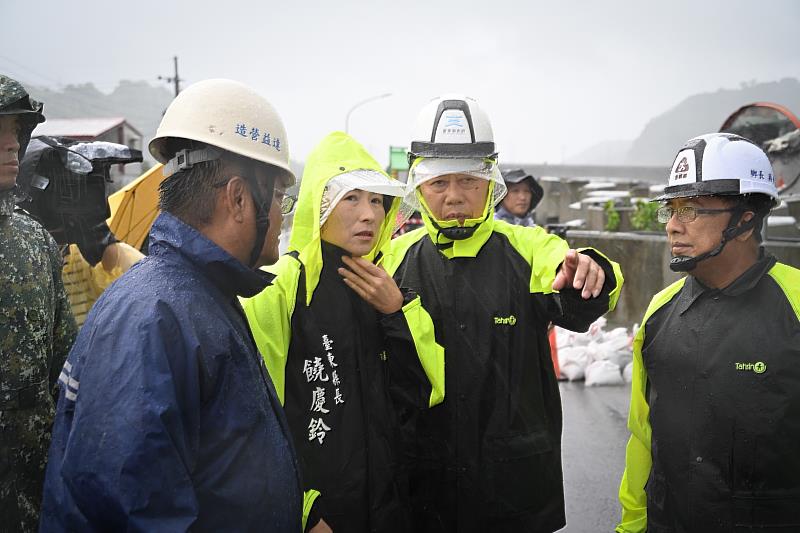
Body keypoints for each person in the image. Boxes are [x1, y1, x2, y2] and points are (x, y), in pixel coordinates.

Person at [41, 79, 303, 532]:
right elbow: (133, 513)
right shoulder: (157, 316)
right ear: (239, 198)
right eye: (280, 196)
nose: (282, 214)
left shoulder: (195, 297)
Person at [382, 94, 623, 532]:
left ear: (490, 183)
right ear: (418, 187)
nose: (454, 196)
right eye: (439, 183)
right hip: (420, 489)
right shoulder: (391, 260)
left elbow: (575, 278)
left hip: (515, 489)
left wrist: (592, 270)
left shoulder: (527, 248)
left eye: (469, 181)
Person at [243, 131, 444, 533]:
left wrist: (397, 312)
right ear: (318, 204)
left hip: (388, 505)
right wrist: (303, 511)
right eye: (351, 198)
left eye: (376, 200)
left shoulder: (386, 289)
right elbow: (252, 419)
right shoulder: (278, 288)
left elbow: (427, 392)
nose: (369, 214)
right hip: (319, 515)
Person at [617, 133, 800, 533]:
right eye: (671, 210)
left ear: (746, 220)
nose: (674, 227)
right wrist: (631, 526)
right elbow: (643, 439)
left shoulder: (796, 304)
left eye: (693, 211)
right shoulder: (660, 312)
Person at [0, 75, 77, 532]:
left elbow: (65, 371)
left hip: (34, 498)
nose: (12, 144)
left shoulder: (35, 242)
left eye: (15, 130)